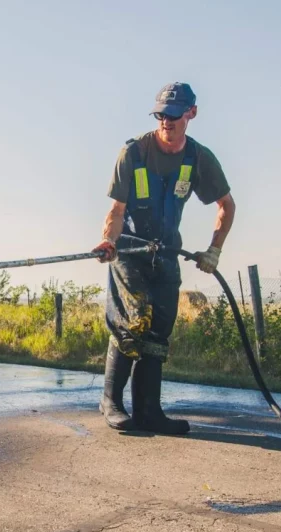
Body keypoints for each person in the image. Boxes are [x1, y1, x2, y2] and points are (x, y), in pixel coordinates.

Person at [93, 82, 236, 435]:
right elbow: (115, 209)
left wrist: (214, 250)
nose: (166, 122)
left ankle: (149, 411)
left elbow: (226, 206)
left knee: (158, 331)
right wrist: (107, 241)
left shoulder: (198, 158)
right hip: (129, 251)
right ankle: (111, 402)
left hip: (167, 252)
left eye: (173, 115)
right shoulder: (134, 153)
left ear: (191, 113)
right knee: (133, 322)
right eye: (160, 115)